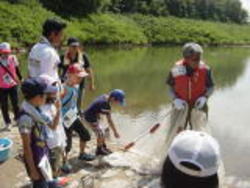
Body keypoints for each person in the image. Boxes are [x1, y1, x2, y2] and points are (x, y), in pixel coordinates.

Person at [166, 42, 214, 138]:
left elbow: (211, 87)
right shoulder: (176, 69)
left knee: (200, 134)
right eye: (195, 59)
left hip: (198, 106)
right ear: (186, 58)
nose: (198, 61)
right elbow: (169, 87)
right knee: (175, 132)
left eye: (199, 58)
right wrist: (175, 99)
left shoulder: (205, 70)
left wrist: (205, 97)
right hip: (180, 105)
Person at [18, 77, 59, 188]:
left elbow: (53, 126)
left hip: (43, 154)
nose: (47, 98)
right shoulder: (25, 118)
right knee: (41, 184)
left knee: (51, 183)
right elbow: (26, 147)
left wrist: (58, 110)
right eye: (45, 95)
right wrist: (32, 170)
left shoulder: (38, 111)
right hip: (35, 161)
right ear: (37, 97)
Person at [61, 64, 94, 173]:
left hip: (73, 116)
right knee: (67, 144)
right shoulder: (63, 88)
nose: (80, 79)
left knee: (85, 135)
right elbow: (55, 104)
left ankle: (82, 154)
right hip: (64, 120)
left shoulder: (76, 86)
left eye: (81, 77)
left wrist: (78, 112)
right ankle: (63, 162)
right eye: (78, 77)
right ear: (69, 75)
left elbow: (74, 103)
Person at [80, 89, 125, 156]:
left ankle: (103, 146)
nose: (118, 103)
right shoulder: (106, 105)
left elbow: (97, 106)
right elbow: (109, 120)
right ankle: (99, 150)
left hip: (90, 114)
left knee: (102, 130)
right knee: (100, 134)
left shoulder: (104, 96)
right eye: (118, 101)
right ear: (113, 99)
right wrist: (115, 132)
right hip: (89, 118)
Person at [39, 74, 66, 179]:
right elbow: (53, 126)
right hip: (51, 143)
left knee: (57, 164)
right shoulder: (43, 108)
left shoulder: (51, 103)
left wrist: (63, 142)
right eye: (53, 90)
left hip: (57, 140)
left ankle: (54, 179)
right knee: (53, 167)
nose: (56, 92)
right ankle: (53, 182)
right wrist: (59, 109)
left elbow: (59, 126)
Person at [59, 37, 95, 109]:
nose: (75, 48)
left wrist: (92, 84)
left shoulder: (83, 56)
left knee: (78, 102)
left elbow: (89, 70)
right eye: (73, 46)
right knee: (65, 102)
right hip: (66, 83)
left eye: (77, 46)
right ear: (68, 47)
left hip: (80, 83)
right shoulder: (63, 57)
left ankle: (77, 114)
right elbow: (58, 71)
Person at [0, 42, 22, 131]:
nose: (6, 54)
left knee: (15, 103)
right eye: (4, 52)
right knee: (4, 105)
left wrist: (21, 78)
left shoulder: (13, 58)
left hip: (13, 84)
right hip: (1, 86)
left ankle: (17, 119)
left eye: (7, 52)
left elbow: (17, 70)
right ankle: (7, 122)